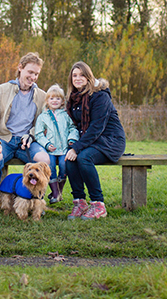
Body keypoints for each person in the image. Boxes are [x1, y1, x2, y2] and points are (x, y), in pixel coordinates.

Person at [0, 52, 50, 219]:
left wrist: (31, 135)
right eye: (30, 72)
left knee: (44, 159)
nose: (33, 77)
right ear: (20, 68)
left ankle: (37, 201)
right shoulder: (2, 90)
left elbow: (43, 123)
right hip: (5, 139)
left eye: (36, 74)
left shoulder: (41, 95)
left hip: (27, 142)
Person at [64, 61, 126, 220]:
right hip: (91, 140)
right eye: (74, 75)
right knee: (69, 159)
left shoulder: (100, 96)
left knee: (84, 157)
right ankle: (80, 202)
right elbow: (75, 126)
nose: (78, 78)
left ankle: (98, 204)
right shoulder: (74, 99)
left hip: (110, 140)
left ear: (88, 76)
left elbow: (96, 127)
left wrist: (77, 148)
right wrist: (72, 145)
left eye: (82, 75)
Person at [34, 84, 79, 204]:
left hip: (64, 148)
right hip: (51, 150)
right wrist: (47, 144)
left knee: (65, 167)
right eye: (52, 98)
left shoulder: (66, 115)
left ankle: (58, 192)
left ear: (62, 101)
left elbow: (73, 128)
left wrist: (72, 139)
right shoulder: (43, 117)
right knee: (51, 168)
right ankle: (55, 193)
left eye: (58, 98)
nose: (55, 101)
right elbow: (38, 134)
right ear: (47, 101)